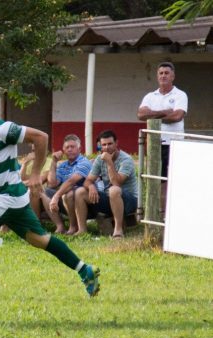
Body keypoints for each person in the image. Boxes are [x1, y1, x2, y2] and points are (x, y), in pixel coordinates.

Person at [0, 81, 100, 298]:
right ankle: (85, 270)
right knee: (41, 240)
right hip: (14, 199)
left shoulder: (3, 129)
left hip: (6, 198)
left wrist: (37, 173)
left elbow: (41, 138)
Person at [137, 61, 188, 209]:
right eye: (161, 73)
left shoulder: (180, 95)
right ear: (157, 76)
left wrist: (152, 115)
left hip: (173, 144)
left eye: (167, 73)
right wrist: (164, 112)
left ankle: (169, 213)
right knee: (156, 180)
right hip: (154, 144)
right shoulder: (150, 96)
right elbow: (140, 114)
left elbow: (177, 116)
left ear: (173, 76)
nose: (163, 76)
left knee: (171, 180)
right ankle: (157, 212)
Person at [74, 130, 138, 238]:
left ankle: (118, 230)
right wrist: (91, 186)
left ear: (116, 143)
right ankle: (82, 230)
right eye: (104, 145)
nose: (107, 147)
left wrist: (109, 162)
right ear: (100, 146)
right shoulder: (100, 158)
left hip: (129, 201)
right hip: (110, 198)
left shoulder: (126, 159)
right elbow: (88, 180)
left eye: (110, 144)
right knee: (80, 192)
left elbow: (116, 183)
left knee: (114, 190)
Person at [45, 134, 92, 235]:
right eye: (67, 147)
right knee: (44, 192)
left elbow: (71, 182)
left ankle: (73, 227)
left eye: (72, 147)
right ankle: (59, 226)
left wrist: (56, 196)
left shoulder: (84, 162)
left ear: (79, 149)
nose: (69, 149)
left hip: (85, 198)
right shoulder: (63, 165)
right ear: (63, 150)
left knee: (69, 194)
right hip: (66, 198)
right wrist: (53, 162)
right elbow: (52, 183)